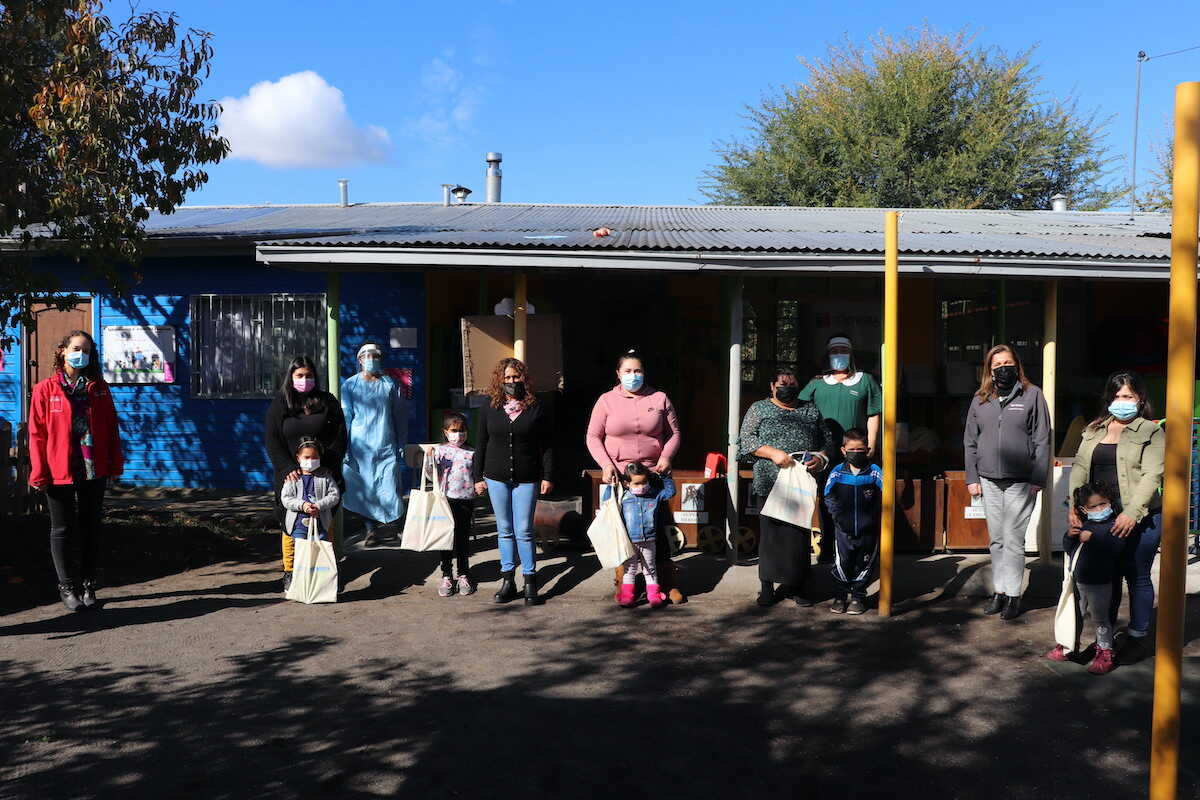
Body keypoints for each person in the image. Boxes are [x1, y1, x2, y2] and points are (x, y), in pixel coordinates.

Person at [1066, 371, 1163, 659]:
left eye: (1128, 396)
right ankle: (1103, 641)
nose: (1122, 401)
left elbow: (1153, 474)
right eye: (1117, 396)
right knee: (1106, 578)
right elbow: (1081, 469)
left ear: (1139, 399)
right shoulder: (1094, 430)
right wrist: (1074, 506)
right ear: (1109, 399)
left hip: (1142, 516)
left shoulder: (1152, 431)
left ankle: (1137, 637)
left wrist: (1132, 513)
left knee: (1137, 576)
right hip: (1102, 517)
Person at [28, 330, 124, 612]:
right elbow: (37, 434)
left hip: (93, 469)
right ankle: (66, 586)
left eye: (86, 350)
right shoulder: (45, 389)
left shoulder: (99, 388)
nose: (80, 354)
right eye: (76, 348)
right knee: (62, 528)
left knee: (91, 527)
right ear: (62, 351)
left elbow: (111, 429)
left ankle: (88, 585)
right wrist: (39, 473)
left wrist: (115, 463)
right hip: (60, 470)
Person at [586, 349, 686, 604]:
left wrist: (666, 458)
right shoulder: (606, 400)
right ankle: (626, 583)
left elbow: (674, 434)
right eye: (628, 371)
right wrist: (606, 465)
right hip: (620, 479)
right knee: (625, 533)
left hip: (653, 476)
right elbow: (593, 437)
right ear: (618, 374)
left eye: (638, 371)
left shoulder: (660, 398)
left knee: (657, 529)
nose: (633, 376)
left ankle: (666, 581)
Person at [963, 344, 1051, 621]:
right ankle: (999, 592)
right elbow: (970, 441)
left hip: (1021, 481)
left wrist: (1039, 477)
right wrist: (971, 477)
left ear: (1017, 366)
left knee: (1013, 539)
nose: (1003, 368)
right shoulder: (980, 399)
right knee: (997, 539)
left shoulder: (1032, 395)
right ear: (990, 370)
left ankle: (1013, 594)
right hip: (988, 479)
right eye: (997, 364)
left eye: (1007, 363)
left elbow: (1042, 439)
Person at [738, 366, 831, 607]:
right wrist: (772, 453)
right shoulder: (759, 409)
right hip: (770, 480)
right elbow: (746, 441)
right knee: (771, 534)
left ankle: (797, 584)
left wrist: (820, 459)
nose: (787, 389)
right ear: (771, 386)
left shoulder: (810, 409)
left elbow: (827, 441)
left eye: (791, 385)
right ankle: (767, 586)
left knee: (798, 536)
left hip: (801, 481)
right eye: (782, 385)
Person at [472, 358, 554, 605]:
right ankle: (508, 580)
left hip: (527, 477)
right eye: (507, 378)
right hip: (495, 477)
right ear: (500, 380)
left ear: (523, 379)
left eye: (515, 377)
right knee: (505, 530)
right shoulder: (489, 407)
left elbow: (547, 446)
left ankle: (530, 581)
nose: (511, 382)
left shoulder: (537, 407)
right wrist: (477, 477)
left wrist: (548, 475)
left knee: (524, 531)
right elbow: (481, 443)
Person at [265, 356, 347, 578]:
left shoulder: (327, 402)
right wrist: (286, 467)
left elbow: (340, 437)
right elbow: (272, 439)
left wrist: (327, 465)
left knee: (324, 521)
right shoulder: (281, 404)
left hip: (323, 474)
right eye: (299, 375)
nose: (304, 379)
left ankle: (324, 570)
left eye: (309, 375)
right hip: (291, 476)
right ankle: (290, 571)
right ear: (291, 377)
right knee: (290, 523)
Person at [1046, 482, 1125, 675]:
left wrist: (1094, 538)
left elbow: (1116, 549)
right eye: (1093, 507)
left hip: (1102, 583)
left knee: (1100, 618)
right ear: (1084, 509)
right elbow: (1070, 550)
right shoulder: (1085, 524)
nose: (1099, 509)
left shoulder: (1115, 525)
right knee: (1075, 614)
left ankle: (1105, 652)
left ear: (1110, 503)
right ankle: (1067, 645)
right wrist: (1069, 536)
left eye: (1103, 504)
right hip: (1079, 582)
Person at [341, 342, 407, 546]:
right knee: (365, 489)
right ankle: (371, 531)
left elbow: (400, 416)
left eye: (376, 355)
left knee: (390, 487)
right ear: (359, 359)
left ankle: (395, 528)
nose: (371, 359)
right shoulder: (350, 385)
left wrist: (402, 442)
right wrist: (344, 446)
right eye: (367, 355)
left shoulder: (390, 384)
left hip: (386, 443)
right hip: (360, 446)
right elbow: (346, 417)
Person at [823, 428, 883, 615]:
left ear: (867, 449)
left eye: (860, 450)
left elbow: (885, 495)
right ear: (843, 450)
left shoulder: (874, 472)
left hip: (868, 531)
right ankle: (840, 596)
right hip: (843, 530)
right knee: (843, 563)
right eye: (852, 450)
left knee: (864, 564)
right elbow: (828, 494)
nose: (856, 454)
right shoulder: (837, 472)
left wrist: (874, 517)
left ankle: (858, 596)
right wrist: (837, 517)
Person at [603, 462, 676, 608]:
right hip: (629, 542)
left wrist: (665, 476)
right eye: (637, 483)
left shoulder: (654, 495)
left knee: (650, 569)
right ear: (627, 483)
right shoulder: (623, 497)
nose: (641, 486)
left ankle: (654, 596)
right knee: (629, 570)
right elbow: (606, 500)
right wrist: (611, 486)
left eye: (644, 482)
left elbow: (670, 492)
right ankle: (627, 596)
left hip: (649, 541)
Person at [280, 439, 341, 595]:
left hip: (320, 524)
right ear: (298, 458)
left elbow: (334, 495)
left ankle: (324, 581)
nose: (310, 461)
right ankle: (295, 580)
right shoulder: (292, 478)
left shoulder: (325, 476)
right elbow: (286, 498)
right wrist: (303, 505)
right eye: (306, 457)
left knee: (322, 550)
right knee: (298, 551)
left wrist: (319, 505)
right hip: (298, 524)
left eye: (314, 458)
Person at [432, 413, 477, 597]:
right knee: (446, 538)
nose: (458, 434)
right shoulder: (440, 451)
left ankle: (463, 574)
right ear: (445, 432)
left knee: (462, 538)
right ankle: (446, 574)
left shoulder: (472, 452)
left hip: (466, 500)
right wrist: (429, 458)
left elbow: (478, 474)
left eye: (462, 431)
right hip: (445, 500)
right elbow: (430, 473)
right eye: (454, 431)